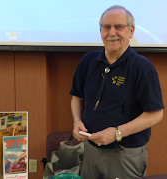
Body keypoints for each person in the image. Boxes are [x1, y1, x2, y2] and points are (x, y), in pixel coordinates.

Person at [70, 5, 164, 179]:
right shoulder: (88, 61)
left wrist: (117, 132)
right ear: (100, 31)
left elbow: (155, 114)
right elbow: (77, 97)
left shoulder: (142, 67)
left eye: (119, 27)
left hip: (125, 154)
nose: (112, 32)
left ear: (131, 31)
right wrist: (77, 121)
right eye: (106, 27)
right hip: (90, 151)